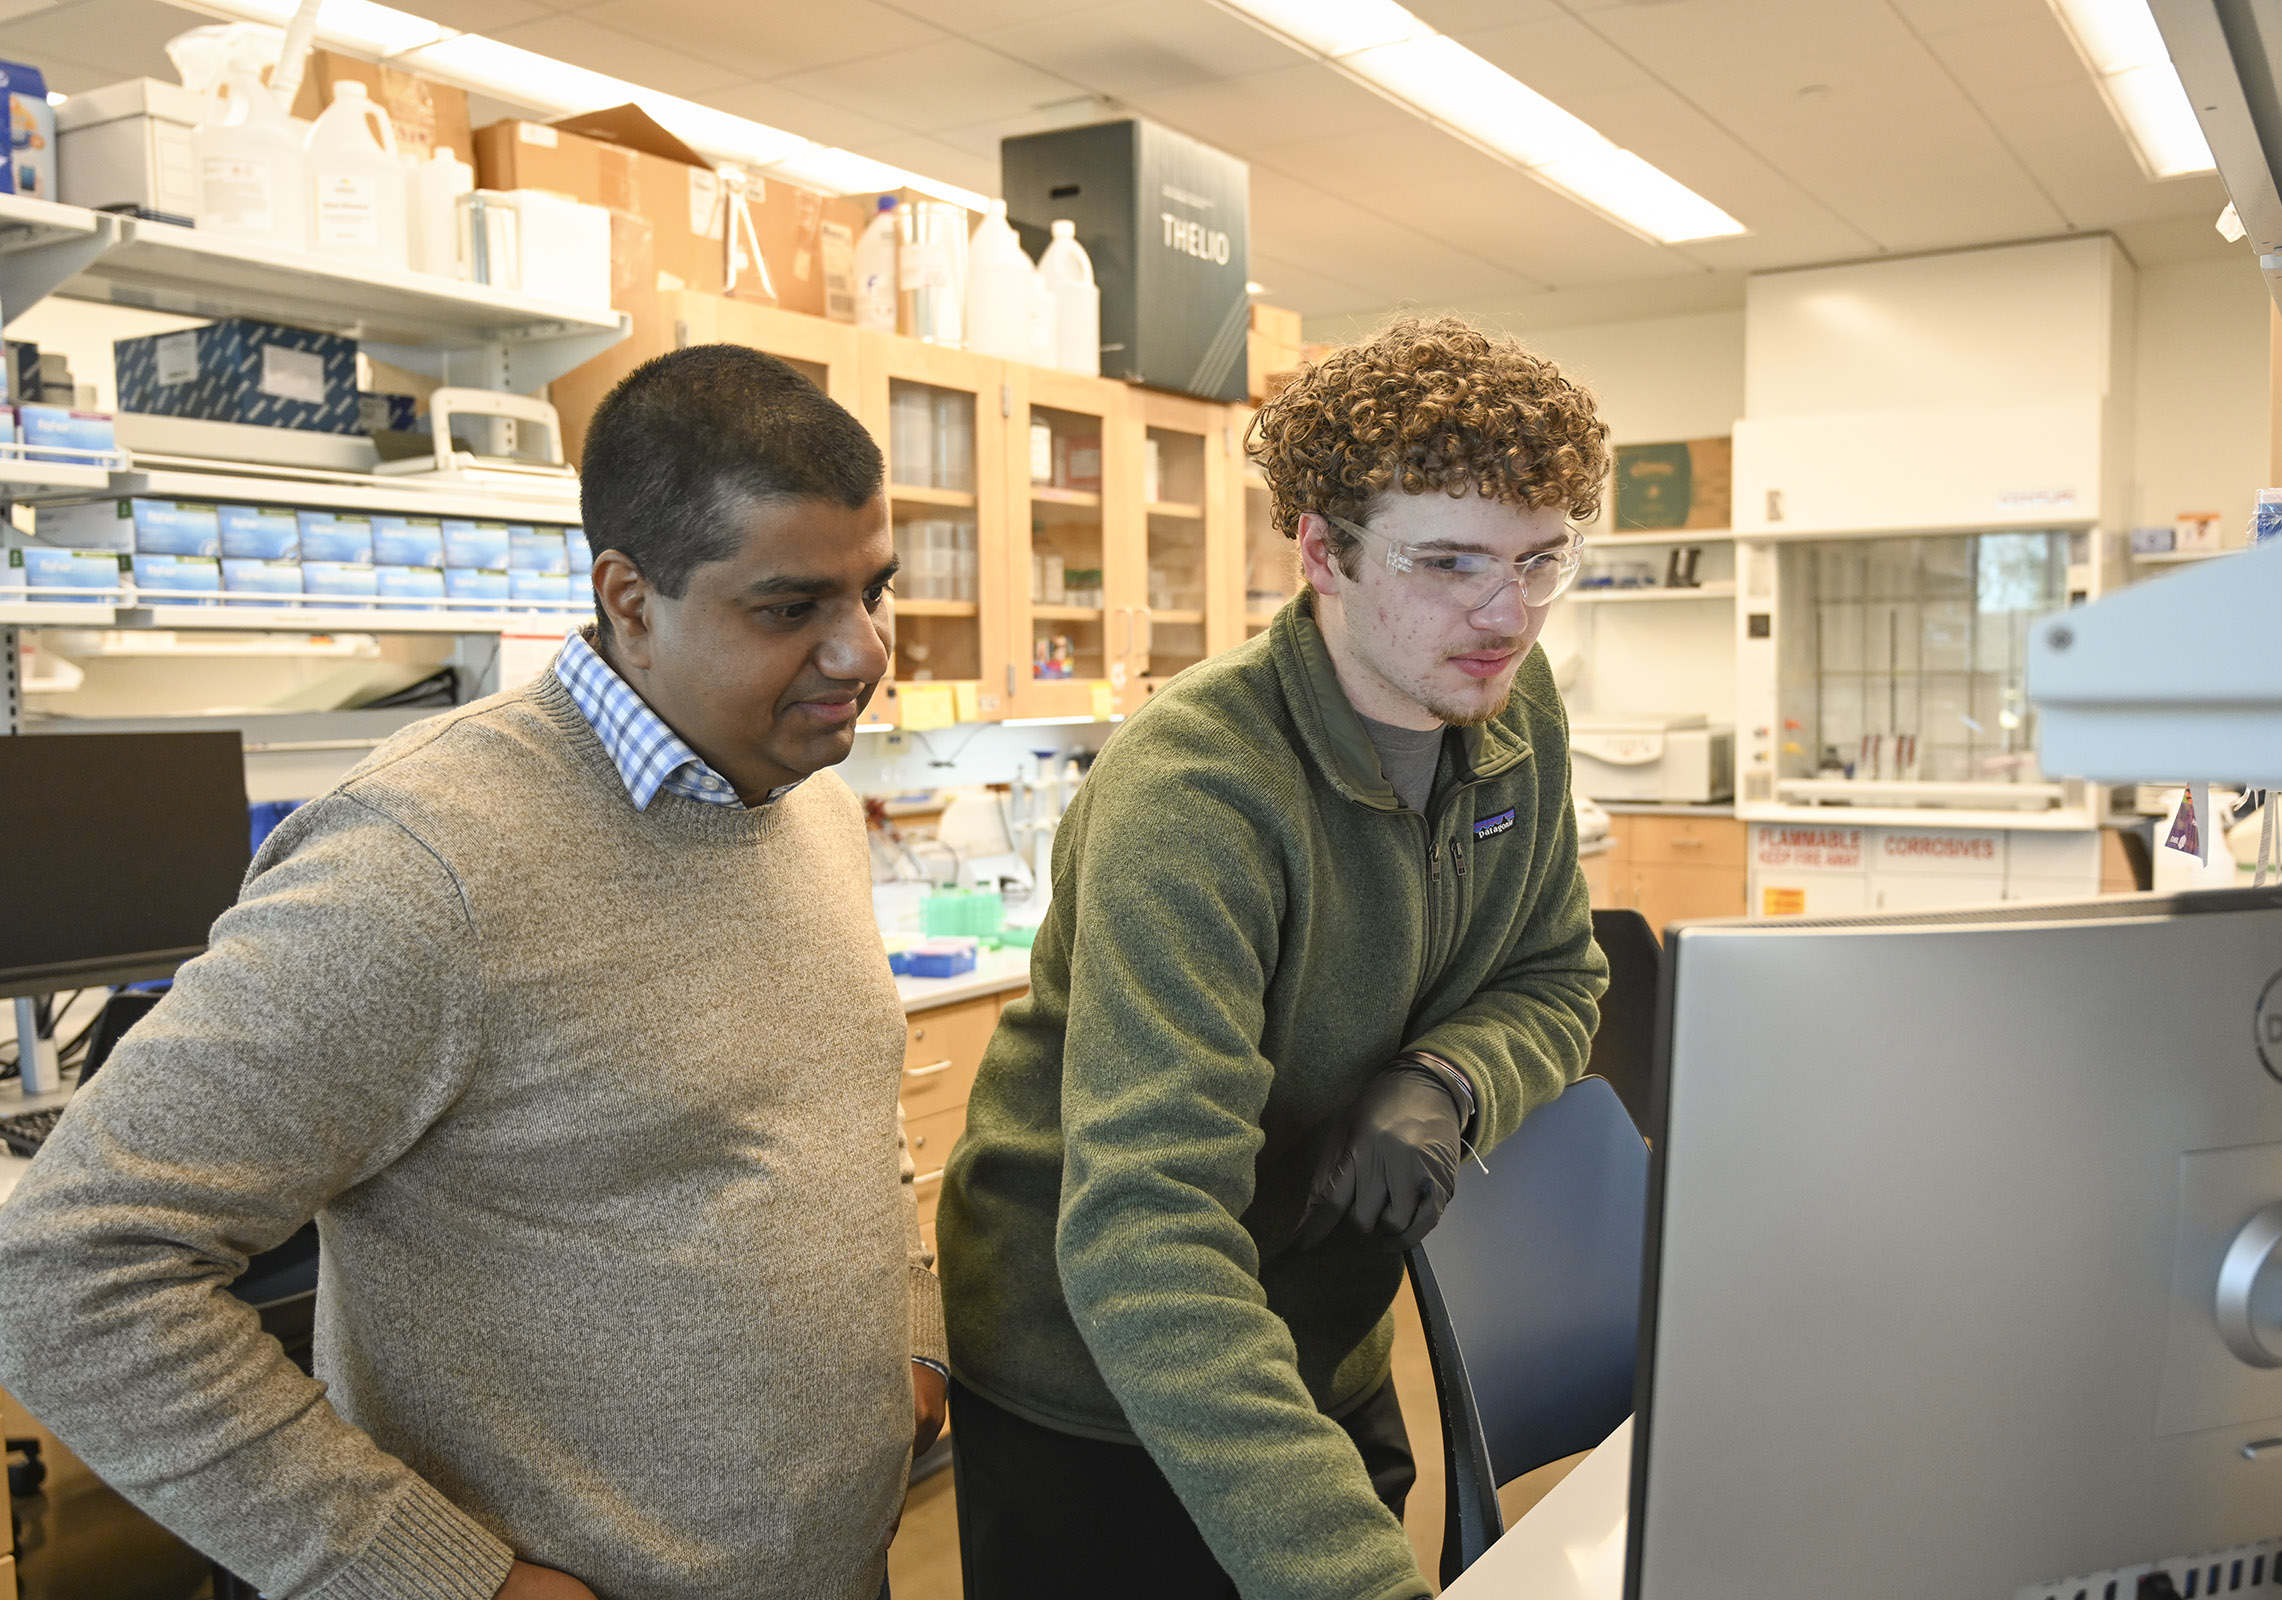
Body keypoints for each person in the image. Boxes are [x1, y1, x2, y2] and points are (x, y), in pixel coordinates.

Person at [0, 344, 945, 1600]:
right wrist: (442, 1581)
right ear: (629, 595)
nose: (860, 652)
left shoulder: (802, 796)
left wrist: (910, 1344)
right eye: (791, 609)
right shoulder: (422, 864)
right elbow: (69, 1272)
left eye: (873, 591)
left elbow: (841, 1114)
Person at [937, 315, 1612, 1600]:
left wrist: (1449, 1078)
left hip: (1322, 1322)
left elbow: (1558, 975)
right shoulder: (1197, 791)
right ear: (1323, 552)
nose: (1505, 614)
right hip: (1106, 1369)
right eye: (1452, 562)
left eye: (1540, 563)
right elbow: (1147, 1233)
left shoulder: (1514, 707)